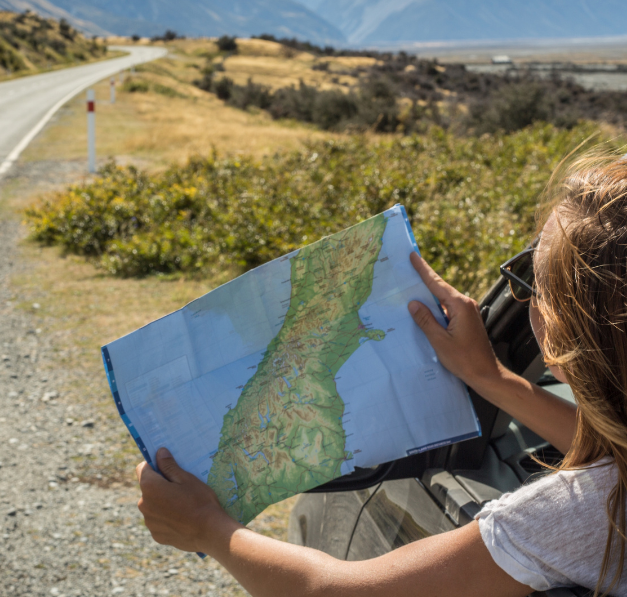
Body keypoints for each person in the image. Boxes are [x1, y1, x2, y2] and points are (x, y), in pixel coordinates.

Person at [136, 152, 627, 597]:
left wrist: (209, 530)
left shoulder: (589, 512)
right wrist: (490, 377)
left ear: (562, 341)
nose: (525, 299)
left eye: (533, 284)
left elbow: (331, 590)